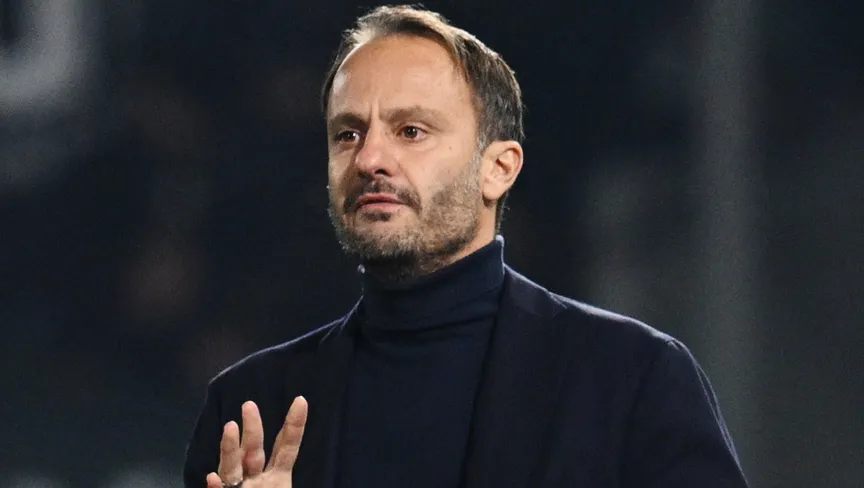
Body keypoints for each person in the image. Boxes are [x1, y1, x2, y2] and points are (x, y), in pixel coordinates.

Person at [183, 5, 750, 488]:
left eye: (411, 131)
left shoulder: (631, 379)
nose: (369, 158)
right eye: (348, 133)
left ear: (498, 169)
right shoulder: (249, 409)